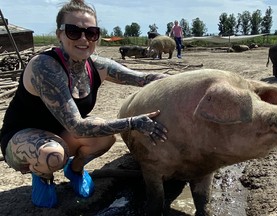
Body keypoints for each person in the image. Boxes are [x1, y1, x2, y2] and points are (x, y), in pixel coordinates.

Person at [0, 0, 168, 208]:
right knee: (53, 155)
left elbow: (143, 78)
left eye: (91, 33)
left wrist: (188, 82)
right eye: (73, 31)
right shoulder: (45, 67)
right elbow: (77, 126)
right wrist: (134, 122)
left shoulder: (97, 66)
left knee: (106, 137)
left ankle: (75, 170)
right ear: (59, 34)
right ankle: (42, 177)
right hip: (22, 138)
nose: (83, 39)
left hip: (60, 134)